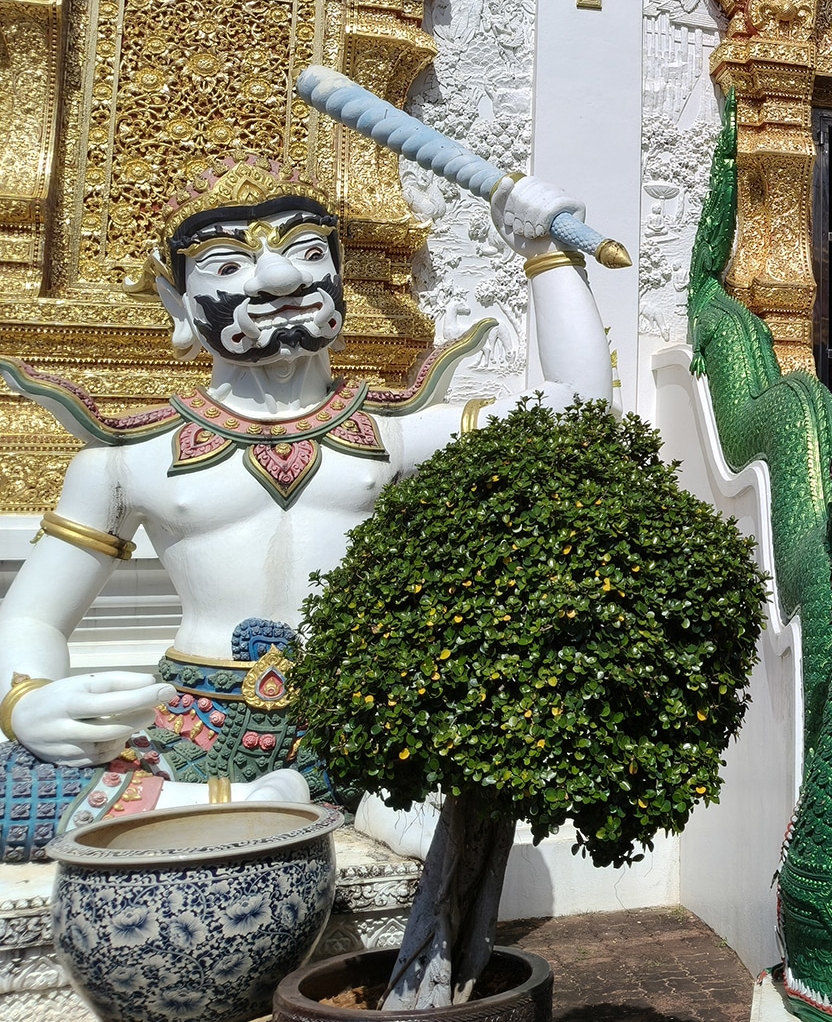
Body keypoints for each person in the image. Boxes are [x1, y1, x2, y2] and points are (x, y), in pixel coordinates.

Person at [0, 156, 612, 857]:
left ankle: (299, 803)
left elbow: (576, 416)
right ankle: (238, 803)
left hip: (360, 716)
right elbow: (31, 616)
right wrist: (29, 700)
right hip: (197, 727)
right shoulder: (126, 460)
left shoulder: (392, 436)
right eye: (227, 267)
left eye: (308, 253)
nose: (280, 280)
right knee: (10, 792)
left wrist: (546, 257)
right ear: (176, 303)